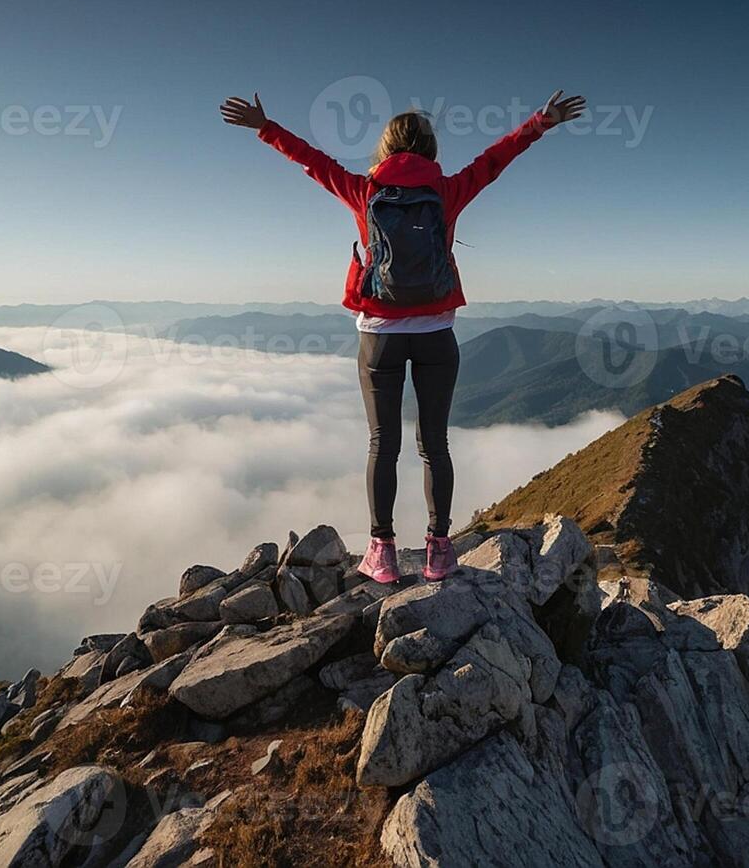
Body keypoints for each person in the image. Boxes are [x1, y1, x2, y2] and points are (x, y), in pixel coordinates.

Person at [220, 89, 588, 583]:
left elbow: (312, 161)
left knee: (382, 444)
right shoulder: (448, 191)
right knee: (435, 444)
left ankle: (383, 552)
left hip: (379, 336)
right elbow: (495, 159)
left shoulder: (365, 191)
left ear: (386, 149)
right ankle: (439, 550)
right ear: (430, 148)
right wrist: (540, 122)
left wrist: (266, 127)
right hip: (437, 332)